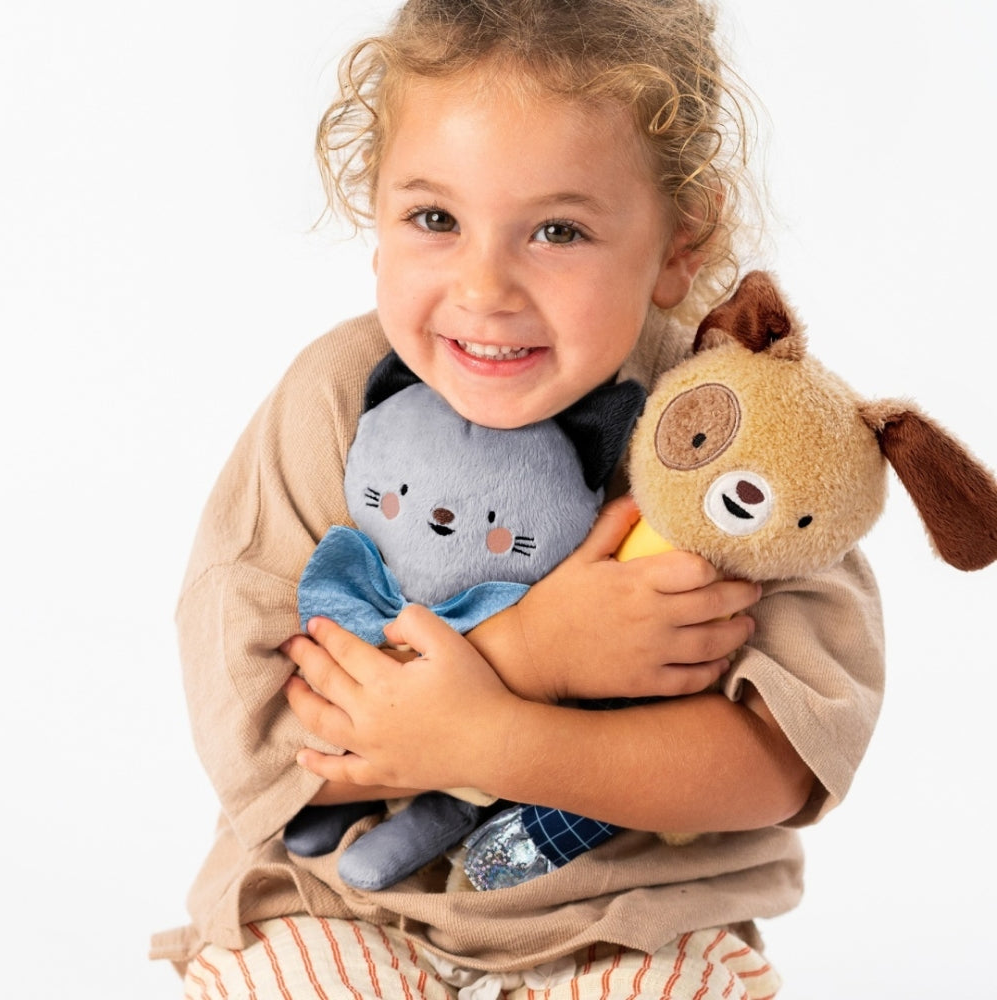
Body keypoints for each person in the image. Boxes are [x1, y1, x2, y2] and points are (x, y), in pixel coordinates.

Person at [151, 1, 885, 997]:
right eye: (435, 220)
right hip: (335, 900)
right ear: (377, 212)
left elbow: (783, 762)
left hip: (630, 924)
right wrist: (528, 659)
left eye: (557, 230)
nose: (484, 287)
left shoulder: (743, 424)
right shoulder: (333, 399)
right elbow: (266, 751)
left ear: (683, 238)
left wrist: (506, 742)